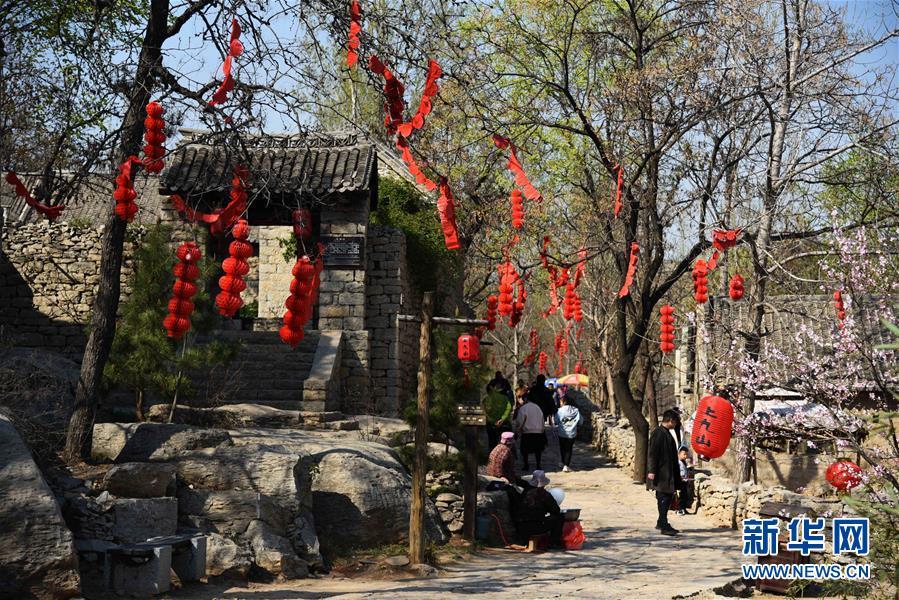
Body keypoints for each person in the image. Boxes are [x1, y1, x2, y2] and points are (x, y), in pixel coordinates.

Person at [647, 409, 683, 536]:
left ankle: (661, 521)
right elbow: (653, 453)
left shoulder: (666, 433)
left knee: (665, 497)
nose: (676, 424)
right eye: (676, 421)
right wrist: (652, 471)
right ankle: (663, 524)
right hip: (662, 473)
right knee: (663, 497)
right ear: (671, 420)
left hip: (667, 471)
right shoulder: (658, 433)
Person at [513, 470, 563, 547]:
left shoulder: (526, 491)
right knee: (559, 517)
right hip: (536, 527)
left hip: (520, 526)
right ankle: (554, 542)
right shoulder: (545, 495)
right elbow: (556, 510)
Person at [515, 393, 546, 471]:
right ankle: (538, 465)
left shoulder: (523, 408)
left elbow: (520, 420)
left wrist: (517, 430)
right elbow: (542, 419)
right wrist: (542, 429)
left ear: (525, 399)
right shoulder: (538, 407)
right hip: (538, 432)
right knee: (538, 450)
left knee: (525, 450)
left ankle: (526, 465)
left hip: (527, 433)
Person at [555, 393, 581, 472]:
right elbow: (580, 421)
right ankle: (566, 464)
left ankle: (564, 464)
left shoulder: (560, 410)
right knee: (569, 449)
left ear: (564, 402)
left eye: (560, 401)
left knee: (562, 448)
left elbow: (556, 421)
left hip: (562, 433)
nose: (560, 403)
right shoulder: (576, 410)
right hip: (572, 433)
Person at [677, 446, 695, 515]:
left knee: (685, 496)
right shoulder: (678, 462)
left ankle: (684, 508)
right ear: (679, 454)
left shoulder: (684, 462)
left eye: (686, 454)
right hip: (680, 481)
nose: (685, 456)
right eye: (684, 454)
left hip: (685, 481)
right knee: (681, 496)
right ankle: (680, 509)